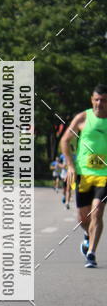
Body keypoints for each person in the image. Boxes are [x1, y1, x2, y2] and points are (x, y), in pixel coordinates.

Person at [60, 84, 107, 268]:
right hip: (83, 174)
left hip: (104, 175)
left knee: (97, 211)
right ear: (91, 99)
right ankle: (88, 235)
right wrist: (70, 166)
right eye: (96, 99)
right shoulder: (83, 118)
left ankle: (91, 254)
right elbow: (65, 140)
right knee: (83, 218)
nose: (99, 103)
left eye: (103, 100)